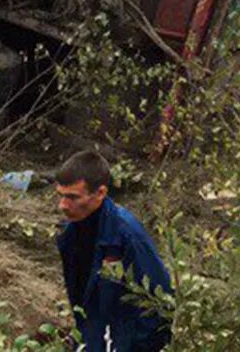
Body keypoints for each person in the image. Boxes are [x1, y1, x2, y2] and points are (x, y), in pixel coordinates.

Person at [54, 150, 174, 352]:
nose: (63, 205)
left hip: (128, 341)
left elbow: (161, 304)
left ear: (100, 193)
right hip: (95, 337)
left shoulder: (126, 235)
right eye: (61, 196)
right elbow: (81, 300)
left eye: (72, 197)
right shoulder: (69, 236)